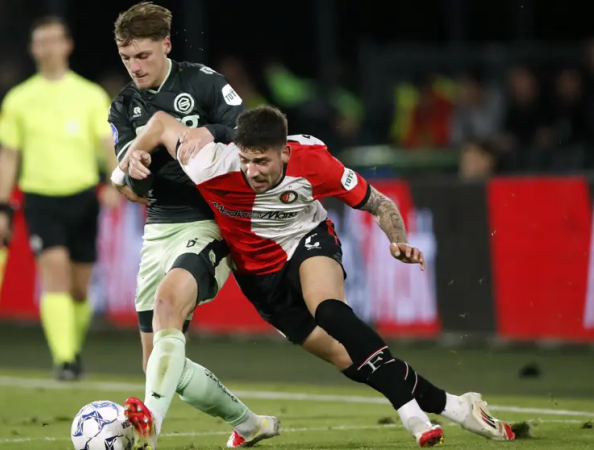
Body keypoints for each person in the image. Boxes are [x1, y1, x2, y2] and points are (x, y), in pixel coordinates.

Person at [119, 107, 517, 447]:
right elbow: (161, 122)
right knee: (350, 359)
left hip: (307, 243)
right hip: (260, 280)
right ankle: (457, 406)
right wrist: (127, 164)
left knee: (328, 309)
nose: (252, 171)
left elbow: (379, 203)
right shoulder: (208, 162)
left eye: (262, 161)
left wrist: (398, 239)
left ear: (285, 152)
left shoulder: (314, 161)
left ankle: (411, 414)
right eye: (246, 160)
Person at [107, 3, 279, 449]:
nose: (134, 67)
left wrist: (211, 132)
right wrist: (135, 171)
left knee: (168, 302)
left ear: (166, 45)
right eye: (126, 58)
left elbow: (250, 130)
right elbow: (128, 186)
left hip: (210, 221)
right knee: (159, 368)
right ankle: (249, 424)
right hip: (158, 230)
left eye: (142, 56)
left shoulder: (202, 82)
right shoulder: (123, 106)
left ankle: (149, 429)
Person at [0, 15, 121, 381]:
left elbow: (107, 144)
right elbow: (8, 154)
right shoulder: (19, 98)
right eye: (41, 41)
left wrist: (114, 183)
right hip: (40, 198)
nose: (47, 48)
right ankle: (64, 360)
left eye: (53, 40)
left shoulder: (89, 94)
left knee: (79, 288)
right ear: (33, 49)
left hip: (82, 197)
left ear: (67, 45)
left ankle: (71, 348)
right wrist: (2, 205)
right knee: (55, 273)